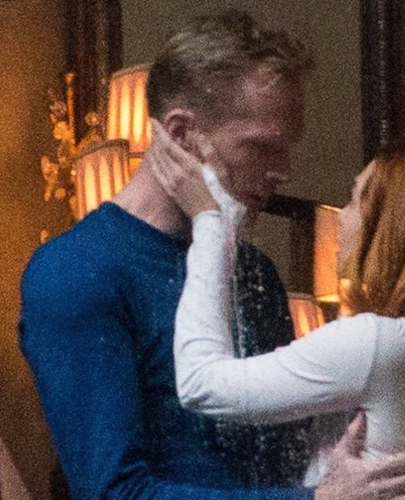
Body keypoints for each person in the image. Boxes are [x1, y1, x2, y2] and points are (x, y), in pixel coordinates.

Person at [19, 9, 405, 500]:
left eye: (287, 148)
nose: (283, 171)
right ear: (182, 135)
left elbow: (280, 457)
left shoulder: (253, 270)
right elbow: (114, 493)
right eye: (263, 148)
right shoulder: (76, 273)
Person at [157, 118, 405, 478]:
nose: (342, 218)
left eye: (354, 201)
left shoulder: (375, 344)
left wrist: (209, 219)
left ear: (388, 226)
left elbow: (201, 384)